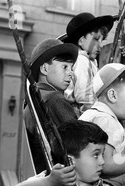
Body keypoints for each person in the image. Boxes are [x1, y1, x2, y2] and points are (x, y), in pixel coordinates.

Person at [24, 38, 79, 173]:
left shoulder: (35, 98)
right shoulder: (53, 99)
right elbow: (80, 144)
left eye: (71, 68)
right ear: (44, 69)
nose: (71, 73)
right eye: (64, 67)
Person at [63, 12, 114, 116]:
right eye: (96, 39)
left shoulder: (90, 61)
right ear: (81, 41)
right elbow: (86, 99)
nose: (100, 45)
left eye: (102, 39)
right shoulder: (82, 60)